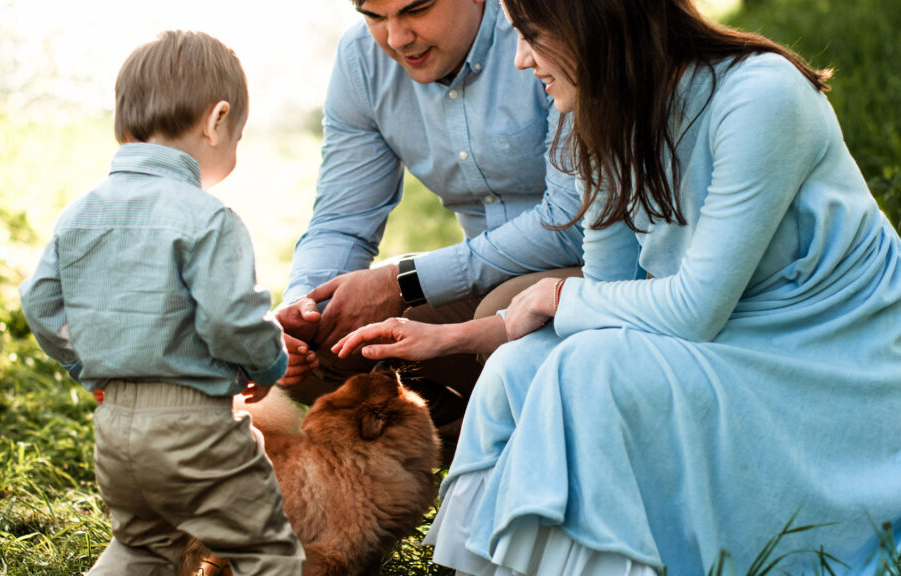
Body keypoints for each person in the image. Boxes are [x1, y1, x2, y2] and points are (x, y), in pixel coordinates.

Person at [333, 0, 901, 572]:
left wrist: (558, 295)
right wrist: (454, 339)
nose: (521, 59)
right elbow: (609, 289)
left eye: (531, 35)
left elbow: (695, 308)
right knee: (517, 368)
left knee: (589, 367)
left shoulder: (761, 96)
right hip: (725, 334)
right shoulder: (604, 113)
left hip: (826, 353)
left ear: (594, 20)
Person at [18, 31, 304, 576]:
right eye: (238, 138)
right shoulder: (210, 218)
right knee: (266, 552)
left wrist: (88, 366)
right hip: (197, 430)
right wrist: (268, 364)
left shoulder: (80, 212)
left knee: (141, 549)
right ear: (217, 121)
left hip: (115, 429)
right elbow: (230, 318)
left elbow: (40, 303)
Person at [274, 0, 587, 432]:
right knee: (311, 349)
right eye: (374, 17)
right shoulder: (361, 60)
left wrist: (405, 281)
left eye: (416, 10)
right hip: (475, 279)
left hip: (587, 270)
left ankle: (512, 441)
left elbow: (572, 222)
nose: (396, 38)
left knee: (506, 309)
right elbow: (342, 219)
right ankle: (465, 438)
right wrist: (302, 306)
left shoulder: (543, 32)